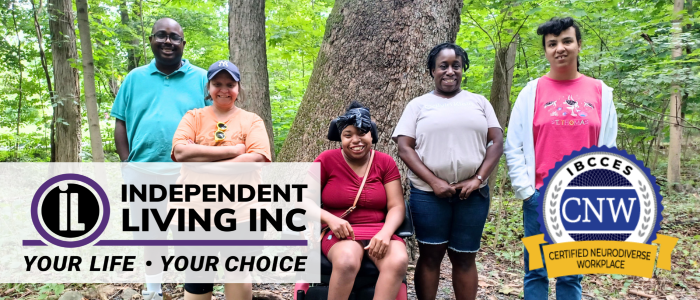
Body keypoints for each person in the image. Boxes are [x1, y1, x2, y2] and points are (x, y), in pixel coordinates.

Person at [504, 17, 618, 300]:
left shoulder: (600, 91)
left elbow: (608, 148)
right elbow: (514, 144)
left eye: (567, 41)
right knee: (536, 272)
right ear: (545, 50)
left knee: (570, 275)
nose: (560, 48)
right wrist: (526, 191)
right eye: (552, 44)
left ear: (579, 45)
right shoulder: (532, 92)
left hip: (581, 198)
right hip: (538, 196)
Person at [393, 42, 503, 300]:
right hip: (428, 194)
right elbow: (404, 147)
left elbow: (496, 142)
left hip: (473, 194)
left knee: (465, 257)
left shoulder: (479, 102)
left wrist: (478, 179)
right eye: (443, 66)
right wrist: (434, 182)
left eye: (456, 65)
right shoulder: (418, 105)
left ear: (463, 69)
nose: (450, 71)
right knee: (430, 255)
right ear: (432, 70)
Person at [110, 17, 209, 300]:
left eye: (174, 37)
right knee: (150, 235)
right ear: (152, 40)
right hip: (143, 173)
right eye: (162, 35)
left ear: (183, 43)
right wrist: (126, 163)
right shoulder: (134, 79)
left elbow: (215, 123)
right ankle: (153, 290)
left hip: (188, 175)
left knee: (189, 235)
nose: (168, 41)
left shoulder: (202, 78)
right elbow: (120, 122)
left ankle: (193, 290)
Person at [171, 59, 271, 300]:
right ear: (208, 87)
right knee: (197, 277)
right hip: (191, 215)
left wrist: (202, 165)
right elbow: (180, 152)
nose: (223, 89)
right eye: (217, 83)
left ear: (238, 88)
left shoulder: (252, 120)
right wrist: (234, 151)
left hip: (243, 215)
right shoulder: (193, 117)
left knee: (237, 273)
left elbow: (257, 157)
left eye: (230, 84)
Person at [316, 102, 408, 300]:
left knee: (398, 260)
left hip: (379, 230)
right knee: (347, 260)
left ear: (371, 135)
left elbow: (397, 206)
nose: (355, 140)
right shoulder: (326, 160)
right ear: (340, 138)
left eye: (362, 133)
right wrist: (330, 219)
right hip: (340, 231)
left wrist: (386, 233)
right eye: (348, 135)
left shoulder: (385, 162)